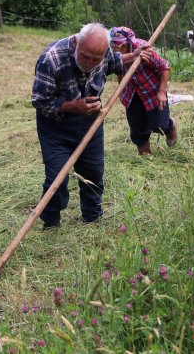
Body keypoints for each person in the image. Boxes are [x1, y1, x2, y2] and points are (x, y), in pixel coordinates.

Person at [31, 23, 152, 229]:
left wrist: (134, 56)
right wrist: (73, 106)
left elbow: (116, 62)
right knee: (56, 178)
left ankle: (92, 218)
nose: (89, 63)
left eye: (96, 59)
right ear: (77, 42)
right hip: (56, 126)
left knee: (93, 172)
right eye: (85, 56)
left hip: (90, 122)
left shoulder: (104, 53)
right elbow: (40, 101)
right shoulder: (51, 59)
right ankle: (51, 222)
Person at [109, 26, 178, 156]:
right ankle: (145, 153)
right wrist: (121, 89)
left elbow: (164, 68)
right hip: (131, 92)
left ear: (127, 43)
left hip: (151, 91)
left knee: (158, 125)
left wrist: (162, 92)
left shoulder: (143, 48)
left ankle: (171, 125)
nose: (117, 48)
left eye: (120, 45)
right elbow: (118, 70)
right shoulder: (111, 53)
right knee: (137, 125)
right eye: (114, 44)